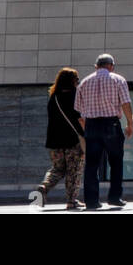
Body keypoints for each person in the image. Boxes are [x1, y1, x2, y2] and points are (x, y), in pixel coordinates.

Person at [74, 53, 133, 210]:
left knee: (92, 165)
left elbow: (79, 110)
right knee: (116, 162)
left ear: (96, 66)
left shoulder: (84, 83)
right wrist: (130, 123)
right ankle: (114, 197)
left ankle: (92, 201)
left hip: (92, 125)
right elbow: (126, 103)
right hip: (111, 124)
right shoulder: (118, 80)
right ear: (111, 66)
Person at [34, 67, 85, 209]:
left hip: (55, 140)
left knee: (57, 168)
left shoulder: (54, 96)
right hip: (73, 140)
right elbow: (80, 118)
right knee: (73, 170)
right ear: (73, 81)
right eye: (77, 79)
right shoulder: (76, 96)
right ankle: (71, 201)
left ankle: (44, 187)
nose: (78, 82)